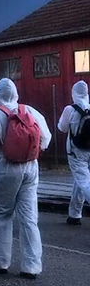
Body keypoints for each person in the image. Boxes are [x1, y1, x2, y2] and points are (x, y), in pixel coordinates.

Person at [0, 78, 51, 279]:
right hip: (30, 167)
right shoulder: (29, 110)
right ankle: (31, 266)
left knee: (1, 216)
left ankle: (0, 262)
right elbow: (46, 137)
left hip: (5, 168)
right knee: (29, 218)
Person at [58, 81, 90, 227]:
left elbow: (62, 128)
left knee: (84, 182)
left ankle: (75, 214)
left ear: (74, 92)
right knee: (80, 182)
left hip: (76, 151)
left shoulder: (70, 109)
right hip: (89, 149)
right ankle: (74, 214)